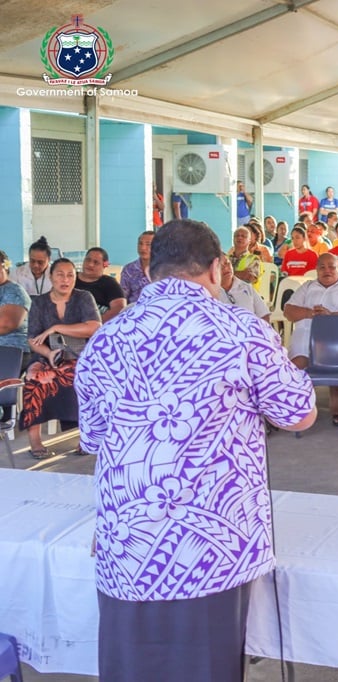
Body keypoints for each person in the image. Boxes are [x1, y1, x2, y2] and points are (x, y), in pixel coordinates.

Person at [75, 219, 315, 682]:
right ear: (217, 268)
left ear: (150, 271)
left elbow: (94, 439)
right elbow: (299, 414)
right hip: (208, 552)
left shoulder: (106, 339)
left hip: (128, 543)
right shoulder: (242, 331)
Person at [21, 258, 100, 459]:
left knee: (83, 378)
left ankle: (86, 438)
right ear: (51, 277)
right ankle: (35, 441)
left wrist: (56, 328)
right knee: (34, 380)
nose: (65, 280)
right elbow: (33, 339)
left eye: (70, 275)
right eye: (60, 275)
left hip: (80, 356)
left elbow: (94, 327)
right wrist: (49, 354)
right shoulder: (39, 302)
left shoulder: (83, 297)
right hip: (47, 356)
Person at [285, 253, 338, 426]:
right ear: (316, 270)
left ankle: (337, 408)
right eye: (322, 267)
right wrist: (310, 313)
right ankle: (298, 409)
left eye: (331, 267)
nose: (327, 270)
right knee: (294, 367)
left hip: (336, 342)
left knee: (333, 364)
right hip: (305, 340)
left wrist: (331, 315)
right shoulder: (307, 287)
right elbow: (288, 311)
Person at [0, 250, 30, 428]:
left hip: (11, 351)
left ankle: (4, 415)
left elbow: (6, 324)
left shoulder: (14, 291)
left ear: (4, 267)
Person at [75, 247, 127, 322]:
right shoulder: (70, 278)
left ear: (104, 265)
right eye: (88, 260)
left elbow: (120, 308)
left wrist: (95, 323)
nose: (90, 264)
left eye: (96, 262)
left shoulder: (110, 283)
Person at [120, 231, 155, 304]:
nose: (143, 248)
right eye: (140, 243)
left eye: (148, 244)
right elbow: (123, 297)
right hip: (134, 308)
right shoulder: (128, 269)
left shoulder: (164, 270)